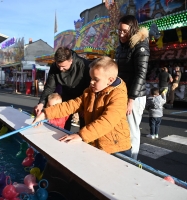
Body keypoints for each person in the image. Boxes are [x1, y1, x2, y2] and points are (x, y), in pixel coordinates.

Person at [33, 56, 131, 156]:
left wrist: (81, 135)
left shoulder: (118, 96)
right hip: (96, 144)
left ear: (110, 80)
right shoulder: (90, 92)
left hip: (116, 148)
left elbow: (107, 121)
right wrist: (45, 113)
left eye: (96, 79)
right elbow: (70, 105)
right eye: (91, 78)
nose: (91, 82)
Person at [115, 15, 150, 160]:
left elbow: (141, 74)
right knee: (120, 127)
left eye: (124, 31)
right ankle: (121, 156)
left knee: (132, 130)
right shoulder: (120, 47)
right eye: (119, 31)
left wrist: (131, 99)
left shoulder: (141, 46)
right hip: (122, 93)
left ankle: (132, 161)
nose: (121, 34)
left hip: (134, 96)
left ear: (133, 30)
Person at [34, 47, 90, 131]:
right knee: (62, 123)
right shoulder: (54, 67)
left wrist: (85, 106)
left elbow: (90, 88)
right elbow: (49, 87)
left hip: (83, 97)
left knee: (85, 125)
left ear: (71, 61)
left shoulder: (84, 65)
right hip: (66, 95)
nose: (60, 69)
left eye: (63, 67)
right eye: (58, 65)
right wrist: (41, 103)